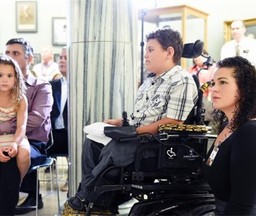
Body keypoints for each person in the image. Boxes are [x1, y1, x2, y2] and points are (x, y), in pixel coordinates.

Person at [63, 27, 198, 215]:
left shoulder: (182, 80)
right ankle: (100, 202)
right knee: (92, 140)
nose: (146, 55)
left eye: (151, 50)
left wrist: (135, 132)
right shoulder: (148, 82)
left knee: (117, 145)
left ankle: (87, 197)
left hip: (156, 142)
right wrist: (118, 123)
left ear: (169, 52)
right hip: (137, 135)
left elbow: (173, 122)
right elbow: (137, 117)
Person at [205, 56, 256, 215]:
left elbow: (241, 205)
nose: (214, 89)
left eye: (222, 82)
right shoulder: (230, 127)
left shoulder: (251, 133)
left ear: (244, 89)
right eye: (213, 83)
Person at [5, 38, 53, 214]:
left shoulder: (41, 86)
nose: (9, 58)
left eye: (15, 54)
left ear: (30, 59)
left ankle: (8, 205)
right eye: (7, 53)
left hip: (33, 142)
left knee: (8, 156)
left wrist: (6, 126)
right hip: (5, 138)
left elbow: (37, 118)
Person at [0, 55, 30, 181]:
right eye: (0, 75)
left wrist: (15, 143)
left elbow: (21, 126)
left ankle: (17, 184)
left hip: (15, 136)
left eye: (9, 76)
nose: (4, 80)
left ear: (16, 79)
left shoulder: (21, 99)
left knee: (24, 154)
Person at [47, 47, 69, 192]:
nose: (61, 60)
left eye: (66, 58)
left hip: (71, 133)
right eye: (60, 57)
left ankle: (72, 178)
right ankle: (33, 194)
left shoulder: (80, 86)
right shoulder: (51, 85)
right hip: (53, 133)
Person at [188, 49, 216, 124]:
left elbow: (212, 82)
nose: (195, 58)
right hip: (193, 98)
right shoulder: (191, 69)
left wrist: (204, 89)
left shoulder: (212, 68)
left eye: (197, 56)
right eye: (194, 56)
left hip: (206, 97)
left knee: (206, 118)